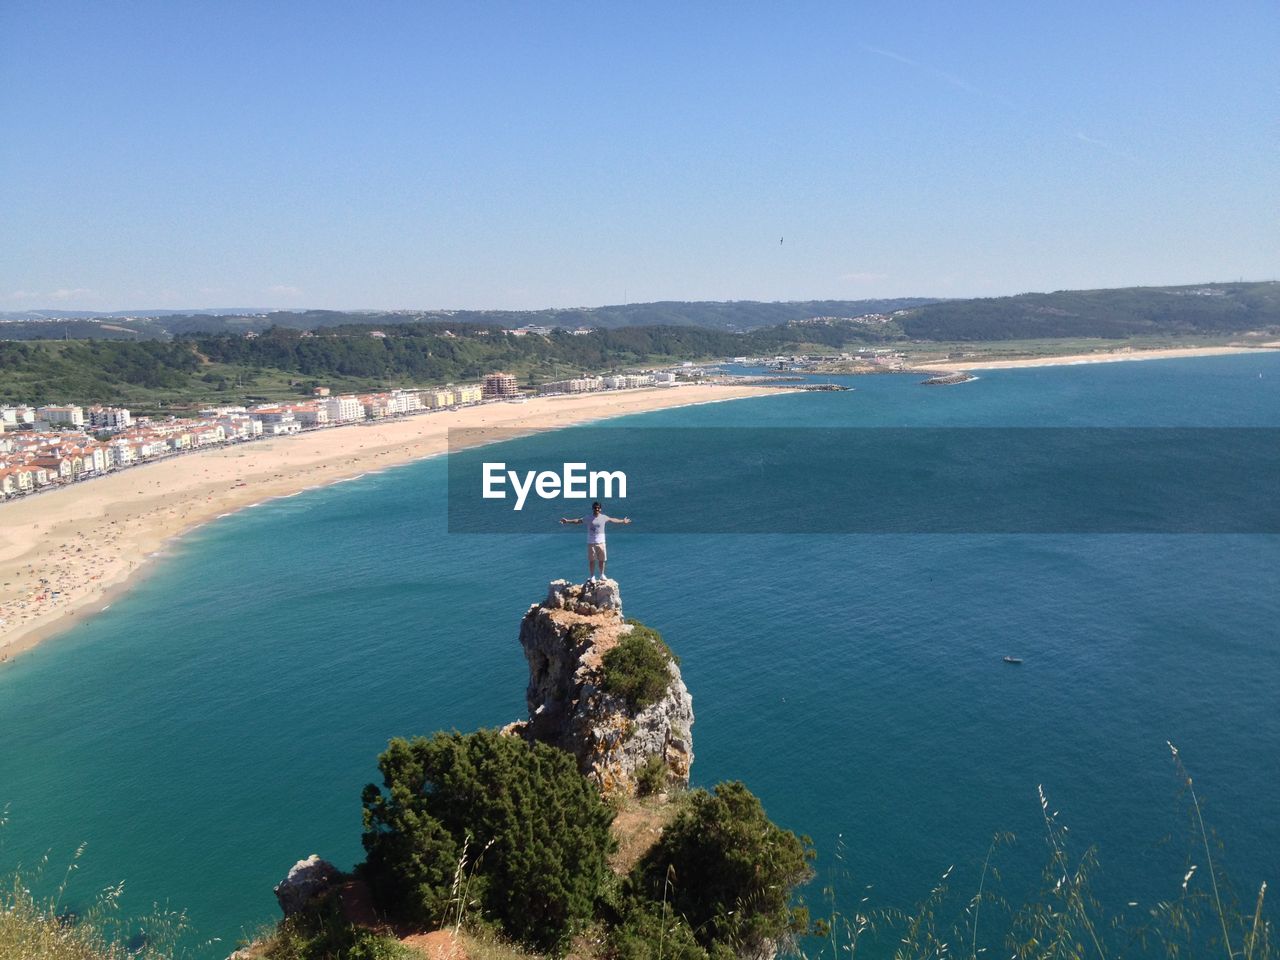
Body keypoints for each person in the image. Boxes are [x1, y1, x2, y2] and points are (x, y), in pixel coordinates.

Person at [560, 501, 631, 582]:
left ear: (600, 509)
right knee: (592, 560)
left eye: (598, 508)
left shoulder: (603, 517)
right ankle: (592, 576)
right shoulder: (588, 518)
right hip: (591, 543)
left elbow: (612, 520)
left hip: (601, 542)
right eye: (595, 508)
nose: (596, 509)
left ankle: (602, 575)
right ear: (592, 509)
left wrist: (622, 521)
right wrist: (567, 521)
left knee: (602, 559)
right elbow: (578, 521)